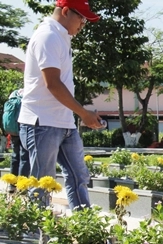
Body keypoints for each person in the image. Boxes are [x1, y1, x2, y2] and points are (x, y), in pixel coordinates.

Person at [18, 0, 102, 210]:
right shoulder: (48, 36)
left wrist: (76, 115)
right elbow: (52, 84)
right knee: (42, 182)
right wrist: (83, 113)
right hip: (42, 122)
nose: (83, 24)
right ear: (65, 11)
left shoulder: (61, 37)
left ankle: (84, 226)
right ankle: (36, 236)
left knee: (78, 175)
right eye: (81, 18)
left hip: (63, 121)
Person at [5, 89, 30, 193]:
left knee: (15, 156)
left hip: (14, 130)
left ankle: (12, 185)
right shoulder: (28, 92)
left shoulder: (14, 93)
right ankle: (22, 186)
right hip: (25, 127)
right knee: (25, 156)